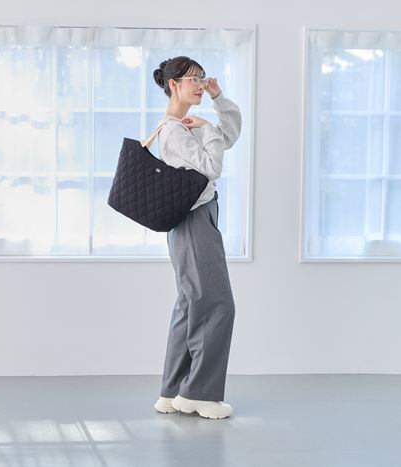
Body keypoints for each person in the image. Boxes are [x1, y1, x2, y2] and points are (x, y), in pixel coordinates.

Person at [150, 56, 242, 419]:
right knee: (217, 304)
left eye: (203, 78)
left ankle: (173, 391)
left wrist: (219, 102)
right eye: (193, 79)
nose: (200, 85)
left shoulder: (185, 125)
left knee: (190, 305)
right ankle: (199, 394)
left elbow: (227, 137)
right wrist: (206, 129)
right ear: (174, 85)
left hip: (196, 219)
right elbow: (211, 167)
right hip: (193, 221)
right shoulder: (175, 130)